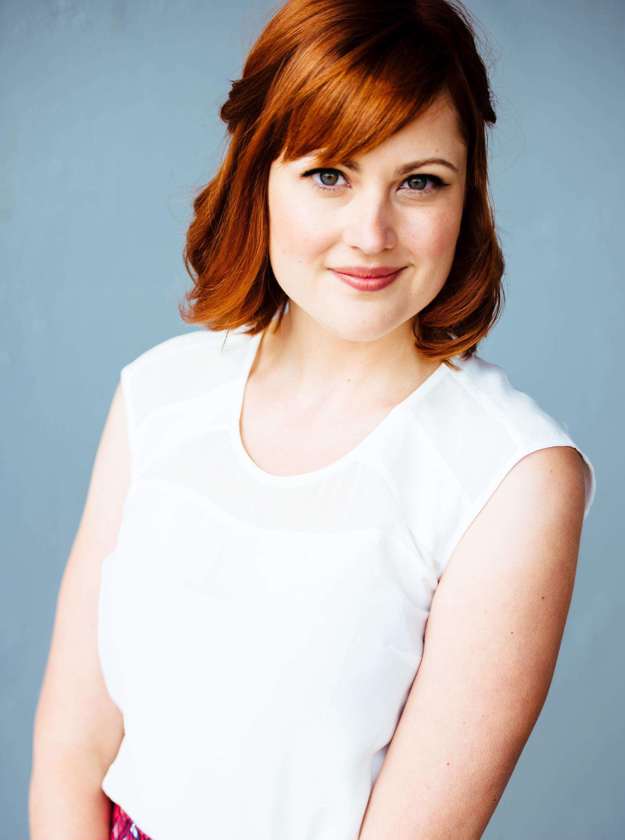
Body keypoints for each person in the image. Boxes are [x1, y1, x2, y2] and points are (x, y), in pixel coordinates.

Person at [29, 1, 596, 838]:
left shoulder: (510, 474)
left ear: (467, 195)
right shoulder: (159, 393)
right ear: (258, 176)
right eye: (330, 174)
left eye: (419, 181)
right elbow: (72, 750)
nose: (371, 233)